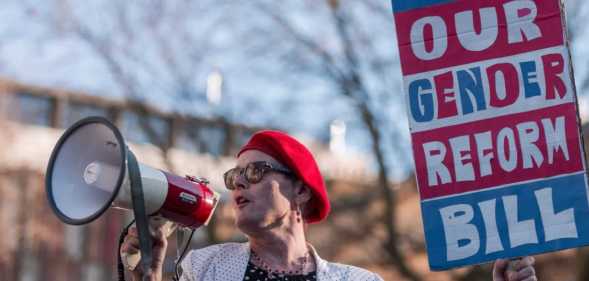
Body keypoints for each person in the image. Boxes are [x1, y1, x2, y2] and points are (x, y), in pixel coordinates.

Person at [121, 130, 538, 281]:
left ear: (300, 192)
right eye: (234, 177)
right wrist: (149, 271)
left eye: (255, 173)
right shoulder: (204, 269)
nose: (238, 186)